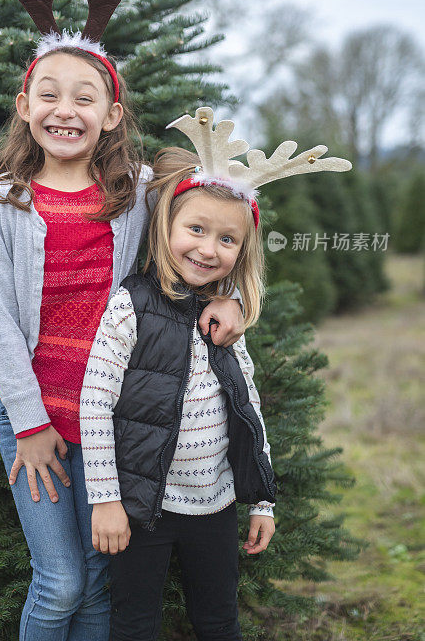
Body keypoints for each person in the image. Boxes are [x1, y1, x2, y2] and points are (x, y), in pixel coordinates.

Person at [0, 0, 247, 641]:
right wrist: (30, 426)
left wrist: (235, 300)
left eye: (85, 97)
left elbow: (215, 227)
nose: (66, 110)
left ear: (111, 115)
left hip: (108, 418)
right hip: (34, 416)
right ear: (25, 104)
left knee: (99, 580)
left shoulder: (136, 193)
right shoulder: (3, 197)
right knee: (61, 579)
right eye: (49, 94)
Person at [80, 108, 352, 641]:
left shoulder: (226, 315)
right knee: (133, 623)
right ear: (167, 225)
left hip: (216, 506)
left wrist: (263, 500)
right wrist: (107, 502)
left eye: (227, 240)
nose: (208, 248)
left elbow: (246, 405)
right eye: (196, 229)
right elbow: (96, 404)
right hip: (143, 508)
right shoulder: (129, 306)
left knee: (218, 621)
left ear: (242, 250)